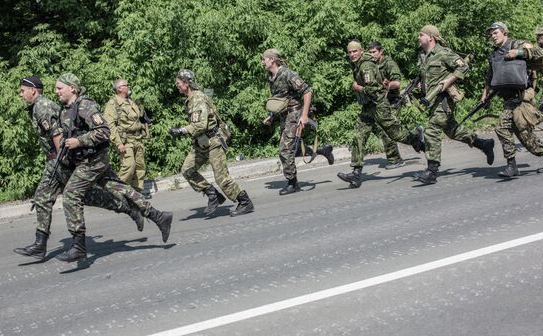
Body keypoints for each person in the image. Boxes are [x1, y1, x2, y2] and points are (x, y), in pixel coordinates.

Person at [13, 76, 147, 260]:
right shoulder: (38, 106)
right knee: (43, 198)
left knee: (86, 196)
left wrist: (65, 161)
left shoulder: (42, 107)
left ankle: (128, 209)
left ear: (33, 91)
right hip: (54, 161)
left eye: (22, 91)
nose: (21, 94)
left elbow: (58, 135)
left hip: (59, 160)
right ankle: (40, 244)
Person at [54, 73, 172, 262]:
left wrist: (79, 141)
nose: (56, 91)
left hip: (93, 161)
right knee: (121, 189)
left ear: (72, 88)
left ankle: (78, 246)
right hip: (86, 160)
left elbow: (104, 131)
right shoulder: (65, 109)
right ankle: (159, 217)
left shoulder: (85, 105)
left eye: (59, 88)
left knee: (70, 195)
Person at [412, 25, 495, 184]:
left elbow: (463, 66)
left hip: (443, 100)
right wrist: (420, 87)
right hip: (430, 100)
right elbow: (426, 77)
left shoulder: (444, 53)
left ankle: (432, 171)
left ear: (431, 37)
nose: (418, 37)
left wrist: (449, 81)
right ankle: (484, 144)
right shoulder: (422, 55)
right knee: (452, 131)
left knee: (432, 130)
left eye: (421, 35)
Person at [337, 40, 425, 188]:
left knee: (394, 133)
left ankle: (419, 142)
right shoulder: (358, 64)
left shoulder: (365, 66)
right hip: (368, 107)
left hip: (378, 105)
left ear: (361, 51)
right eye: (350, 52)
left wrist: (358, 88)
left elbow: (373, 90)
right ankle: (356, 173)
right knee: (359, 135)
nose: (352, 54)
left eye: (355, 51)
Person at [169, 69, 254, 217]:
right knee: (187, 170)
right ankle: (213, 195)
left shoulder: (198, 99)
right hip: (201, 143)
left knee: (221, 177)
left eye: (178, 83)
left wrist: (181, 130)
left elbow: (200, 125)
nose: (176, 86)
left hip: (213, 141)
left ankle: (245, 202)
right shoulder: (191, 99)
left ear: (186, 83)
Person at [482, 22, 543, 178]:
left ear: (505, 32)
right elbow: (490, 76)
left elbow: (538, 54)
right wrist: (485, 94)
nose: (493, 36)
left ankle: (512, 166)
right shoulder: (495, 54)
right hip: (508, 98)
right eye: (491, 34)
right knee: (524, 134)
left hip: (521, 96)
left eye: (495, 32)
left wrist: (518, 52)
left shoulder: (517, 44)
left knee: (502, 127)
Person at [261, 48, 334, 195]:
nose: (262, 62)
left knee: (285, 150)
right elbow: (279, 100)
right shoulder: (272, 77)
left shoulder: (288, 74)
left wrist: (305, 115)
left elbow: (307, 91)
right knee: (290, 150)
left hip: (295, 115)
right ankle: (321, 150)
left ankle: (293, 184)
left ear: (272, 60)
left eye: (264, 59)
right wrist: (272, 116)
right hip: (284, 116)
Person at [104, 79, 151, 196]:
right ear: (119, 88)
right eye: (126, 85)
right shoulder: (113, 103)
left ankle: (137, 192)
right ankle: (117, 193)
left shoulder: (131, 101)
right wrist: (118, 143)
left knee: (140, 166)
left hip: (137, 138)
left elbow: (137, 119)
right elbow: (110, 125)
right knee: (128, 166)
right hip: (125, 141)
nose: (129, 87)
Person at [367, 41, 407, 169]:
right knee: (390, 129)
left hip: (393, 100)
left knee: (387, 130)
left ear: (381, 51)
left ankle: (395, 160)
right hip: (380, 101)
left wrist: (386, 85)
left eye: (374, 52)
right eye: (370, 52)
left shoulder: (389, 63)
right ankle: (415, 135)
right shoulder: (371, 65)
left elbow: (397, 83)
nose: (372, 55)